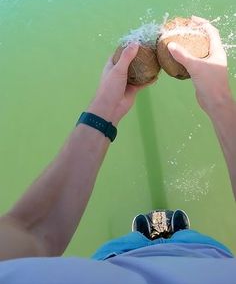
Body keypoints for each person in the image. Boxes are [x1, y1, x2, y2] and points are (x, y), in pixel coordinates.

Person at [0, 15, 235, 283]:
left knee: (127, 244)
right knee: (191, 240)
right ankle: (179, 237)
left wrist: (106, 107)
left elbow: (33, 233)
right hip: (204, 256)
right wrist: (218, 99)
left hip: (115, 261)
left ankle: (141, 238)